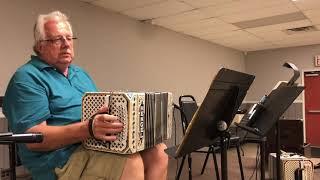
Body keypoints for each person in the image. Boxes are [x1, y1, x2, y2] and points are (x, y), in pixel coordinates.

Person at [3, 11, 168, 180]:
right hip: (60, 160)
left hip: (90, 144)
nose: (66, 44)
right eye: (57, 39)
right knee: (130, 161)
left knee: (158, 152)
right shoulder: (27, 77)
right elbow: (35, 139)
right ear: (40, 46)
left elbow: (97, 114)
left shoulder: (79, 74)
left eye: (69, 38)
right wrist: (88, 129)